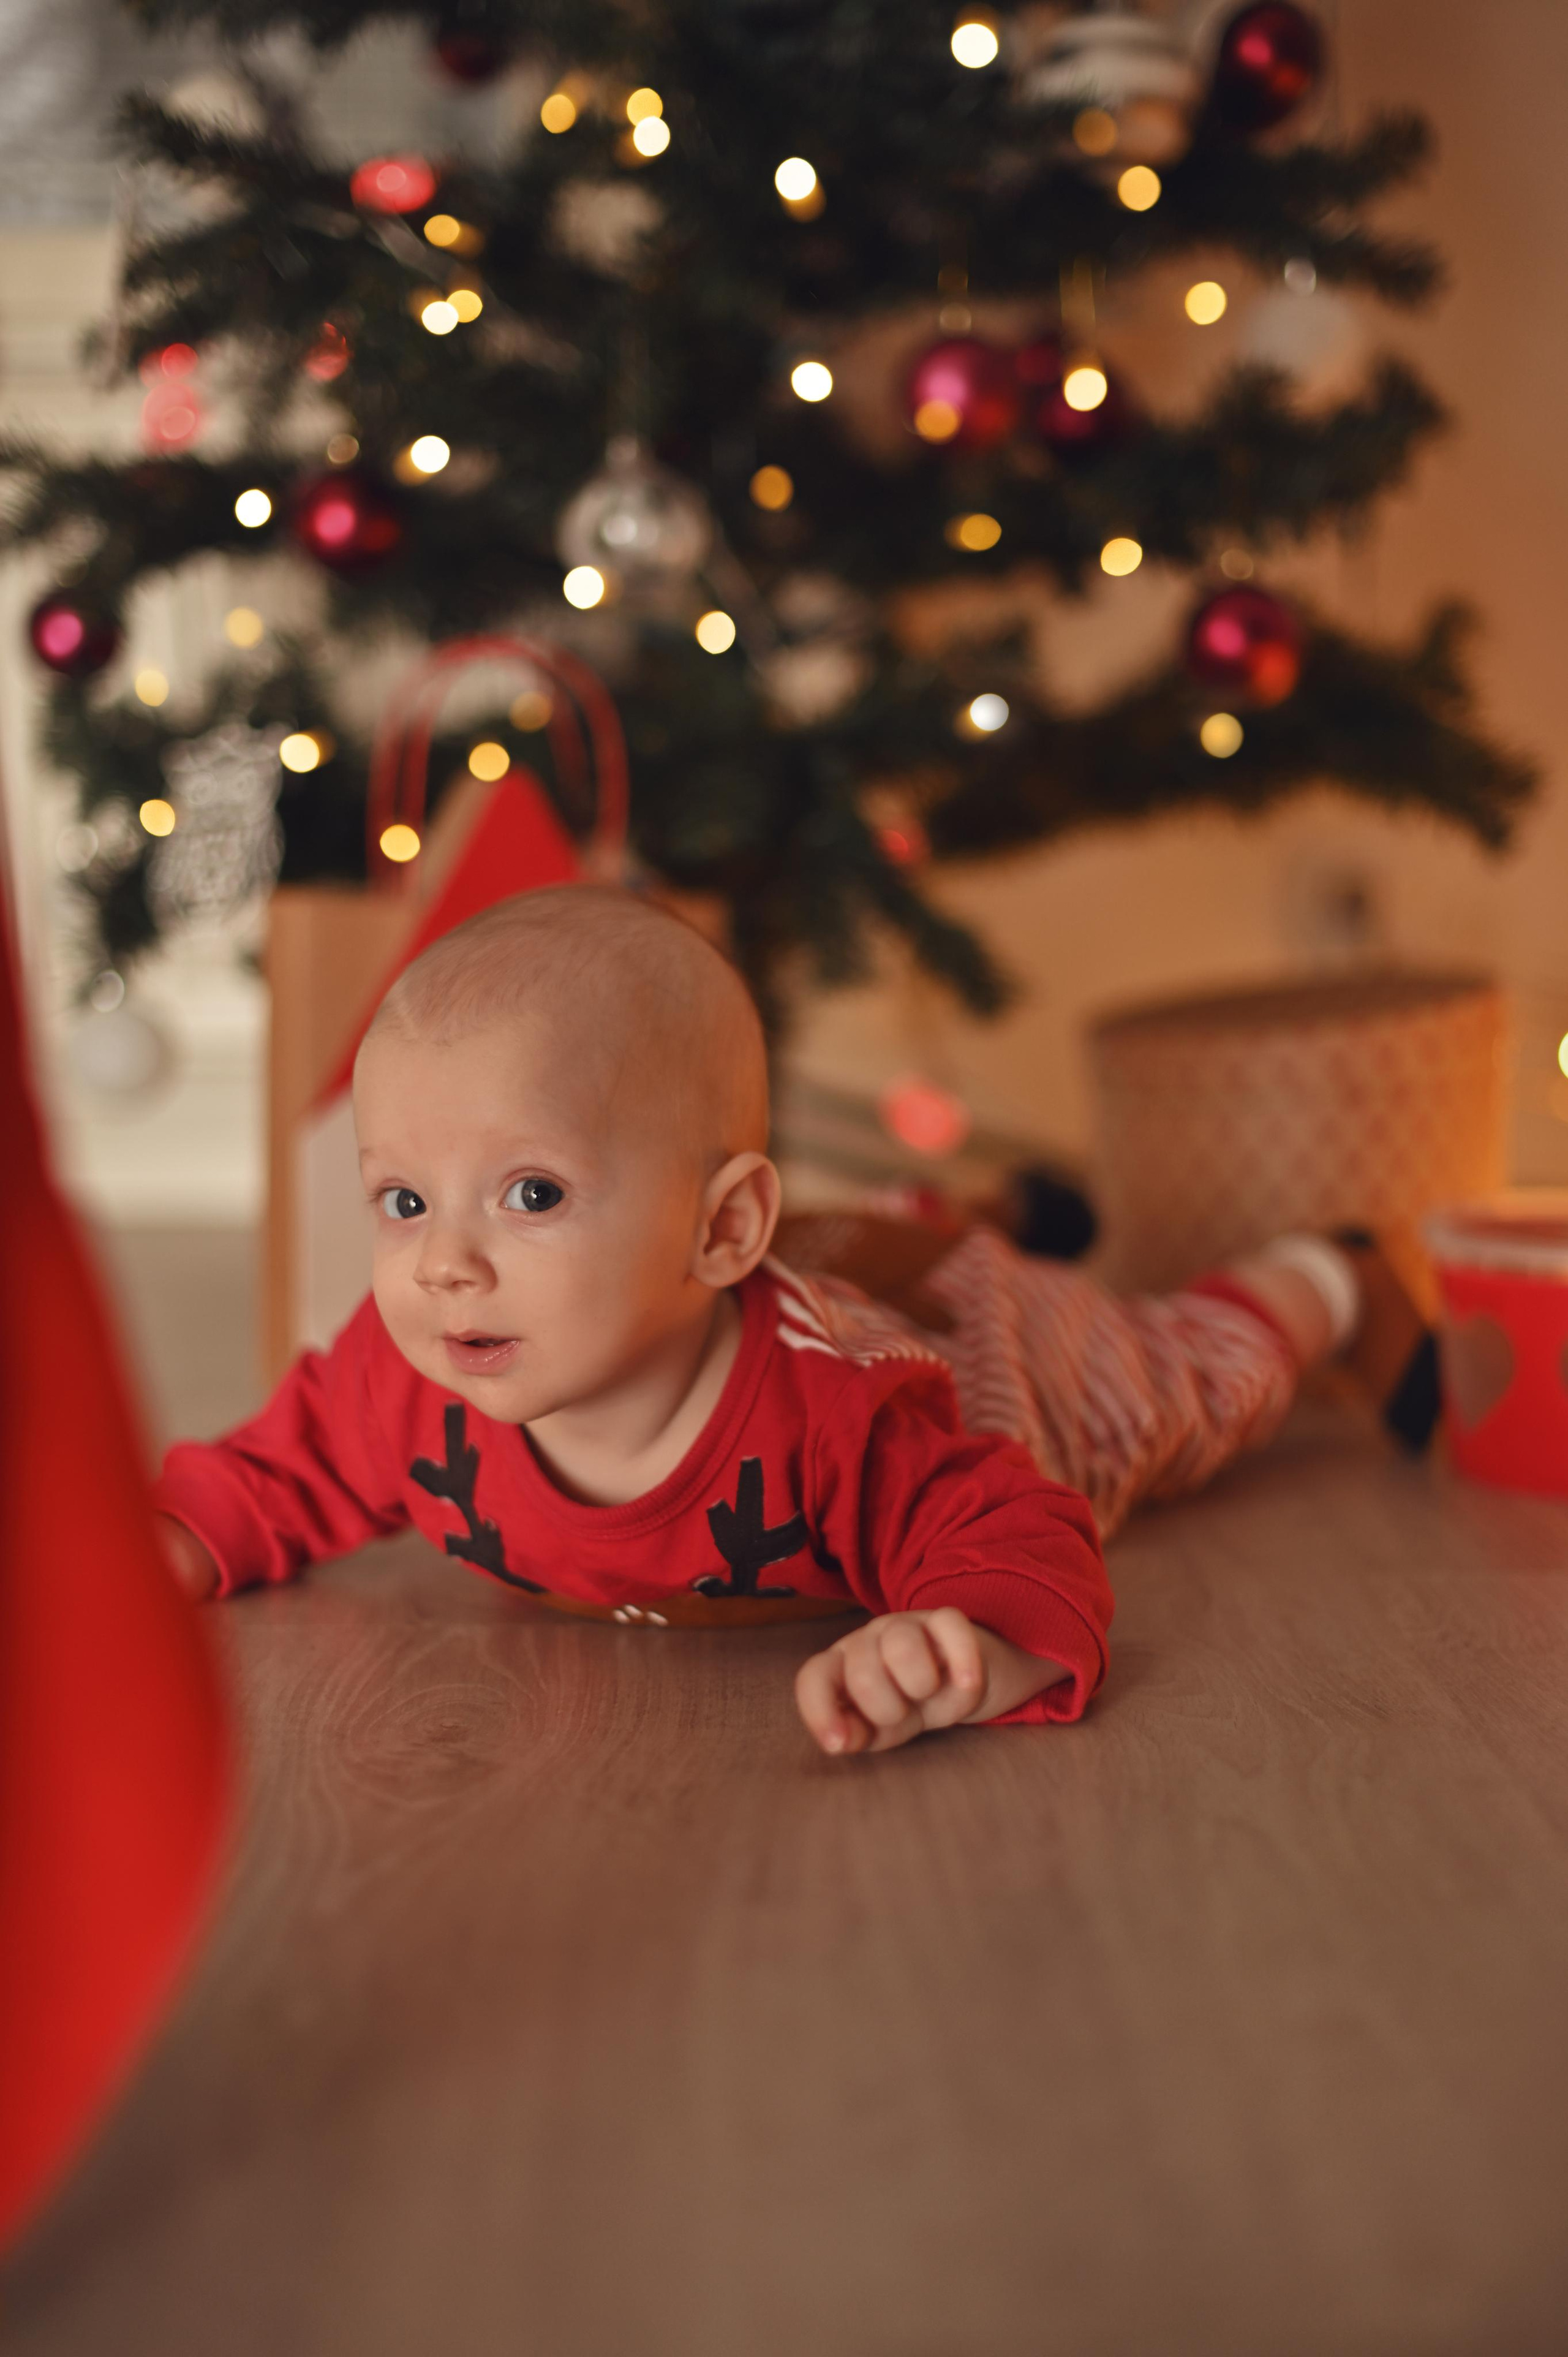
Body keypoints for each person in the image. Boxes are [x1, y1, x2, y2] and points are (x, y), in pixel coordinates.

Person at [154, 887, 1361, 1758]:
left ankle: (1321, 1275)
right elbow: (272, 1473)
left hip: (985, 1347)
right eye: (403, 1200)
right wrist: (151, 1552)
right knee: (878, 1234)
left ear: (722, 1231)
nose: (444, 1264)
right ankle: (972, 1208)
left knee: (1182, 1382)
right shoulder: (402, 1369)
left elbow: (1015, 1527)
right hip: (819, 1253)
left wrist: (962, 1646)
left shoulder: (833, 1416)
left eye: (532, 1194)